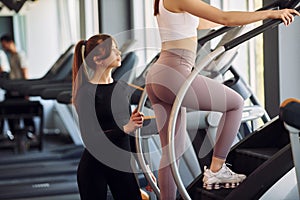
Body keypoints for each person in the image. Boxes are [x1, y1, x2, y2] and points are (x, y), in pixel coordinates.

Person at [145, 0, 300, 199]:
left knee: (171, 155)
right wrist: (268, 16)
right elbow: (223, 17)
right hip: (174, 72)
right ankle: (217, 169)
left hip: (159, 75)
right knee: (235, 104)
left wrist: (256, 13)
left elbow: (206, 22)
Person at [72, 34, 147, 200]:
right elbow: (90, 139)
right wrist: (126, 127)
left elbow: (131, 134)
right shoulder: (86, 93)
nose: (119, 53)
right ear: (98, 59)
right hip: (94, 167)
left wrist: (145, 168)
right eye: (113, 50)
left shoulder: (120, 88)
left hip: (121, 163)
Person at [0, 34, 35, 138]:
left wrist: (27, 92)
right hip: (14, 90)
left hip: (21, 90)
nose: (3, 47)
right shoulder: (12, 57)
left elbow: (25, 74)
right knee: (7, 110)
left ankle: (31, 134)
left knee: (27, 114)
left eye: (4, 45)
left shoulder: (20, 55)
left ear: (10, 42)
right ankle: (14, 134)